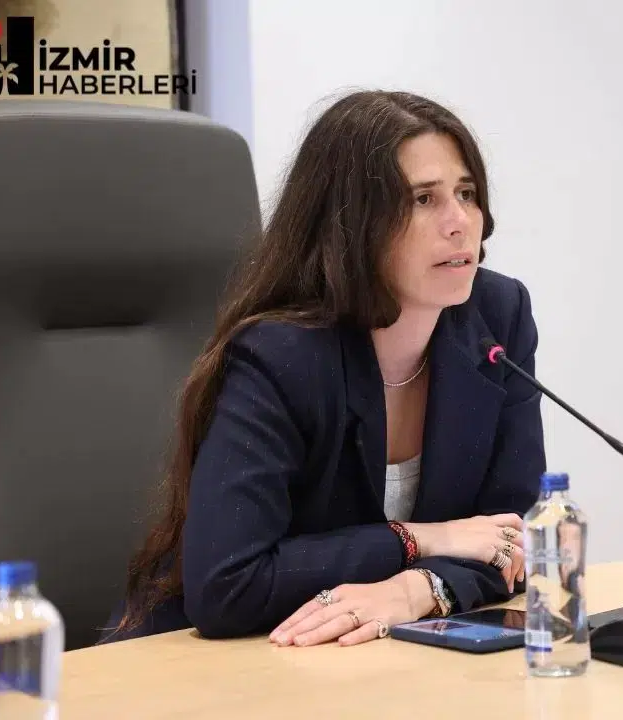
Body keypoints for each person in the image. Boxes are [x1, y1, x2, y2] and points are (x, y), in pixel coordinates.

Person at [100, 90, 545, 647]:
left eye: (467, 193)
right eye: (423, 199)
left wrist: (417, 590)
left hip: (372, 658)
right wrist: (420, 539)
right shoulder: (283, 355)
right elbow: (227, 587)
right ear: (354, 225)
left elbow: (513, 542)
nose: (460, 223)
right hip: (205, 665)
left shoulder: (497, 320)